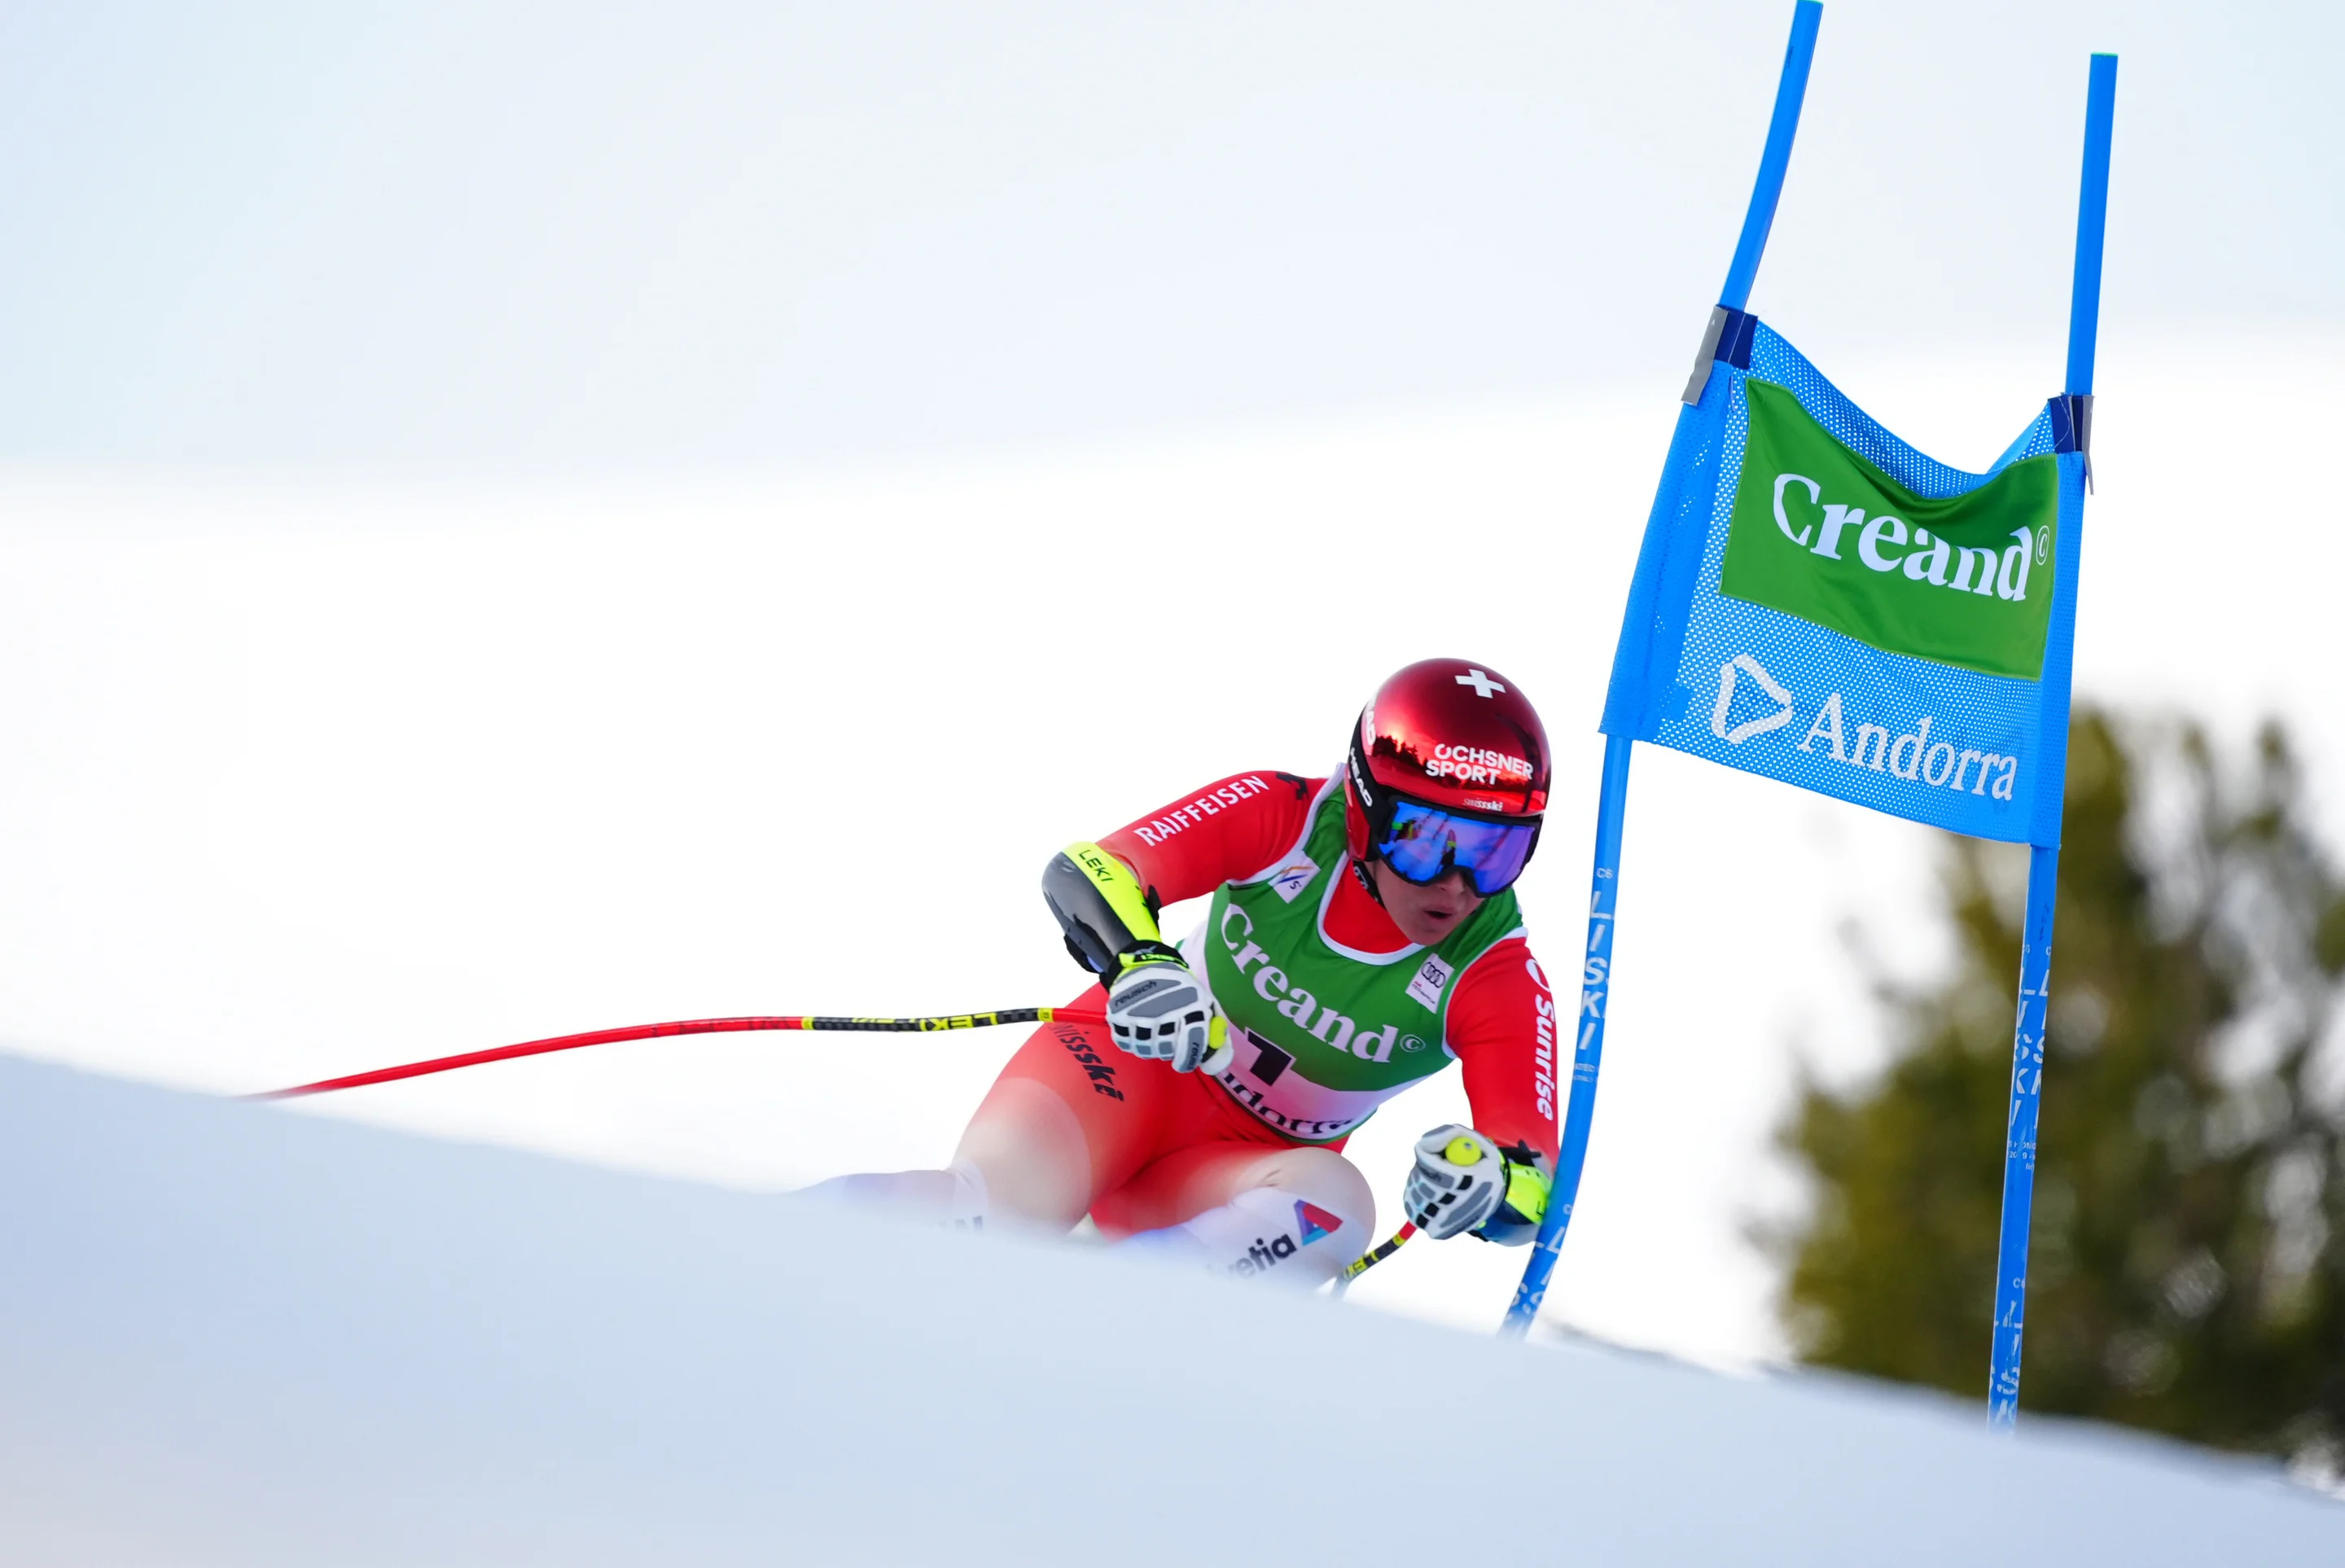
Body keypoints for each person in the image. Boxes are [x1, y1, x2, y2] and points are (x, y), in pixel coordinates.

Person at [813, 658, 1562, 1286]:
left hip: (1231, 1178)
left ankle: (1116, 1329)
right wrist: (1138, 961)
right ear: (1365, 810)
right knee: (979, 1219)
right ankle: (735, 1242)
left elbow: (1535, 1170)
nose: (1457, 885)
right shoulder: (1288, 817)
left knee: (1336, 1206)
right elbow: (1093, 870)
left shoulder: (1496, 972)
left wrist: (1492, 1185)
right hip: (1119, 1079)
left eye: (1497, 853)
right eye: (1426, 844)